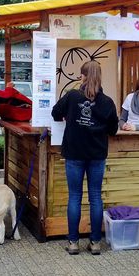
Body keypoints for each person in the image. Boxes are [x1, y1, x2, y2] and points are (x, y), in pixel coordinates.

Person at [51, 60, 118, 255]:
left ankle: (73, 243)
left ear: (82, 76)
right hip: (97, 154)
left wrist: (69, 117)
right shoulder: (107, 102)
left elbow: (55, 112)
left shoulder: (72, 96)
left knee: (75, 196)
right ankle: (95, 242)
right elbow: (113, 130)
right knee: (95, 197)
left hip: (74, 153)